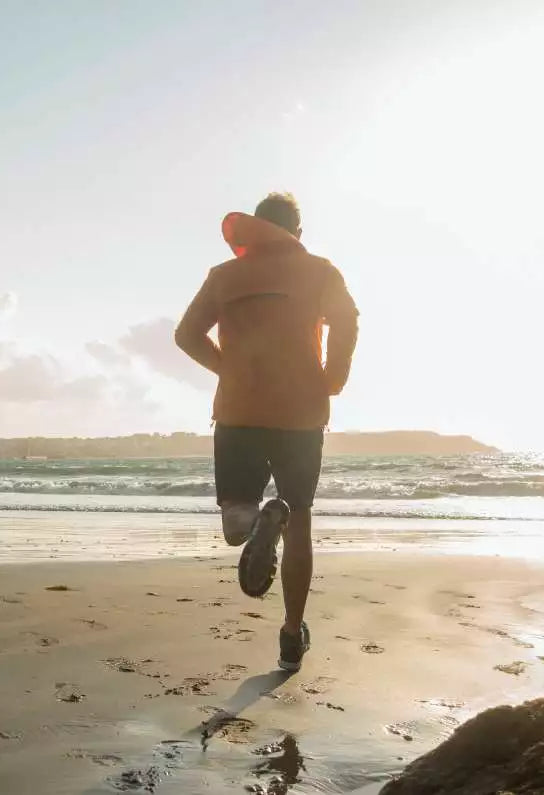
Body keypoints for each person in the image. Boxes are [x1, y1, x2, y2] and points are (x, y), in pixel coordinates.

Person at [174, 192, 358, 672]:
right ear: (297, 233)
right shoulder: (320, 270)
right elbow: (347, 319)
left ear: (254, 229)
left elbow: (185, 335)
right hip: (301, 413)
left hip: (238, 412)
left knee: (235, 524)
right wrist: (332, 379)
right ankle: (291, 635)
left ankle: (256, 522)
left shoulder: (224, 276)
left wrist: (228, 370)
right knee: (300, 525)